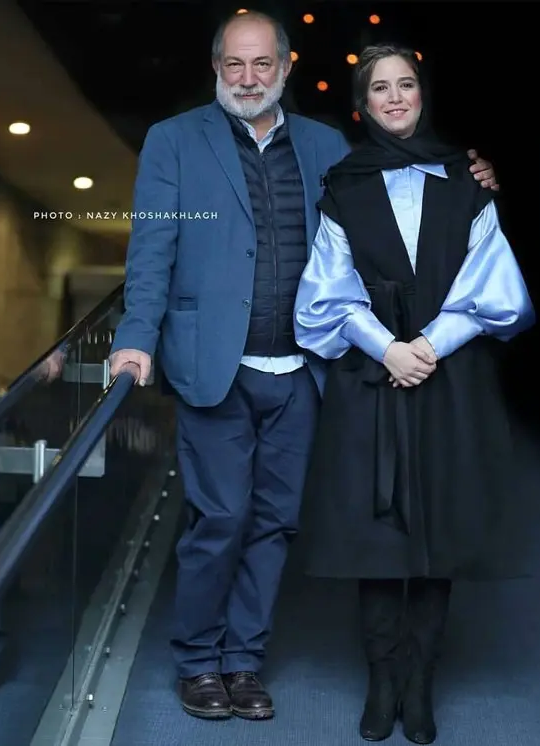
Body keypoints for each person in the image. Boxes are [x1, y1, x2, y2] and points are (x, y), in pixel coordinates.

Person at [108, 12, 498, 722]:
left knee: (276, 522)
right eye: (234, 64)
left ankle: (243, 661)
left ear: (286, 68)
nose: (248, 78)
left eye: (263, 64)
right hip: (214, 363)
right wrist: (135, 337)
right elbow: (152, 250)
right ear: (216, 67)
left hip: (307, 369)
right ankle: (198, 662)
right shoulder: (174, 141)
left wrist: (470, 172)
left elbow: (398, 197)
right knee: (220, 516)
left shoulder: (326, 145)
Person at [293, 43, 533, 744]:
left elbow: (494, 283)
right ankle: (382, 680)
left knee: (440, 530)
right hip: (372, 378)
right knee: (376, 535)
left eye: (406, 85)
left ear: (423, 95)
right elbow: (325, 291)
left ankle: (420, 682)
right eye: (380, 88)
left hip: (449, 377)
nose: (395, 97)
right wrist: (388, 349)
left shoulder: (468, 179)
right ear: (360, 105)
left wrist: (428, 346)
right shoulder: (342, 186)